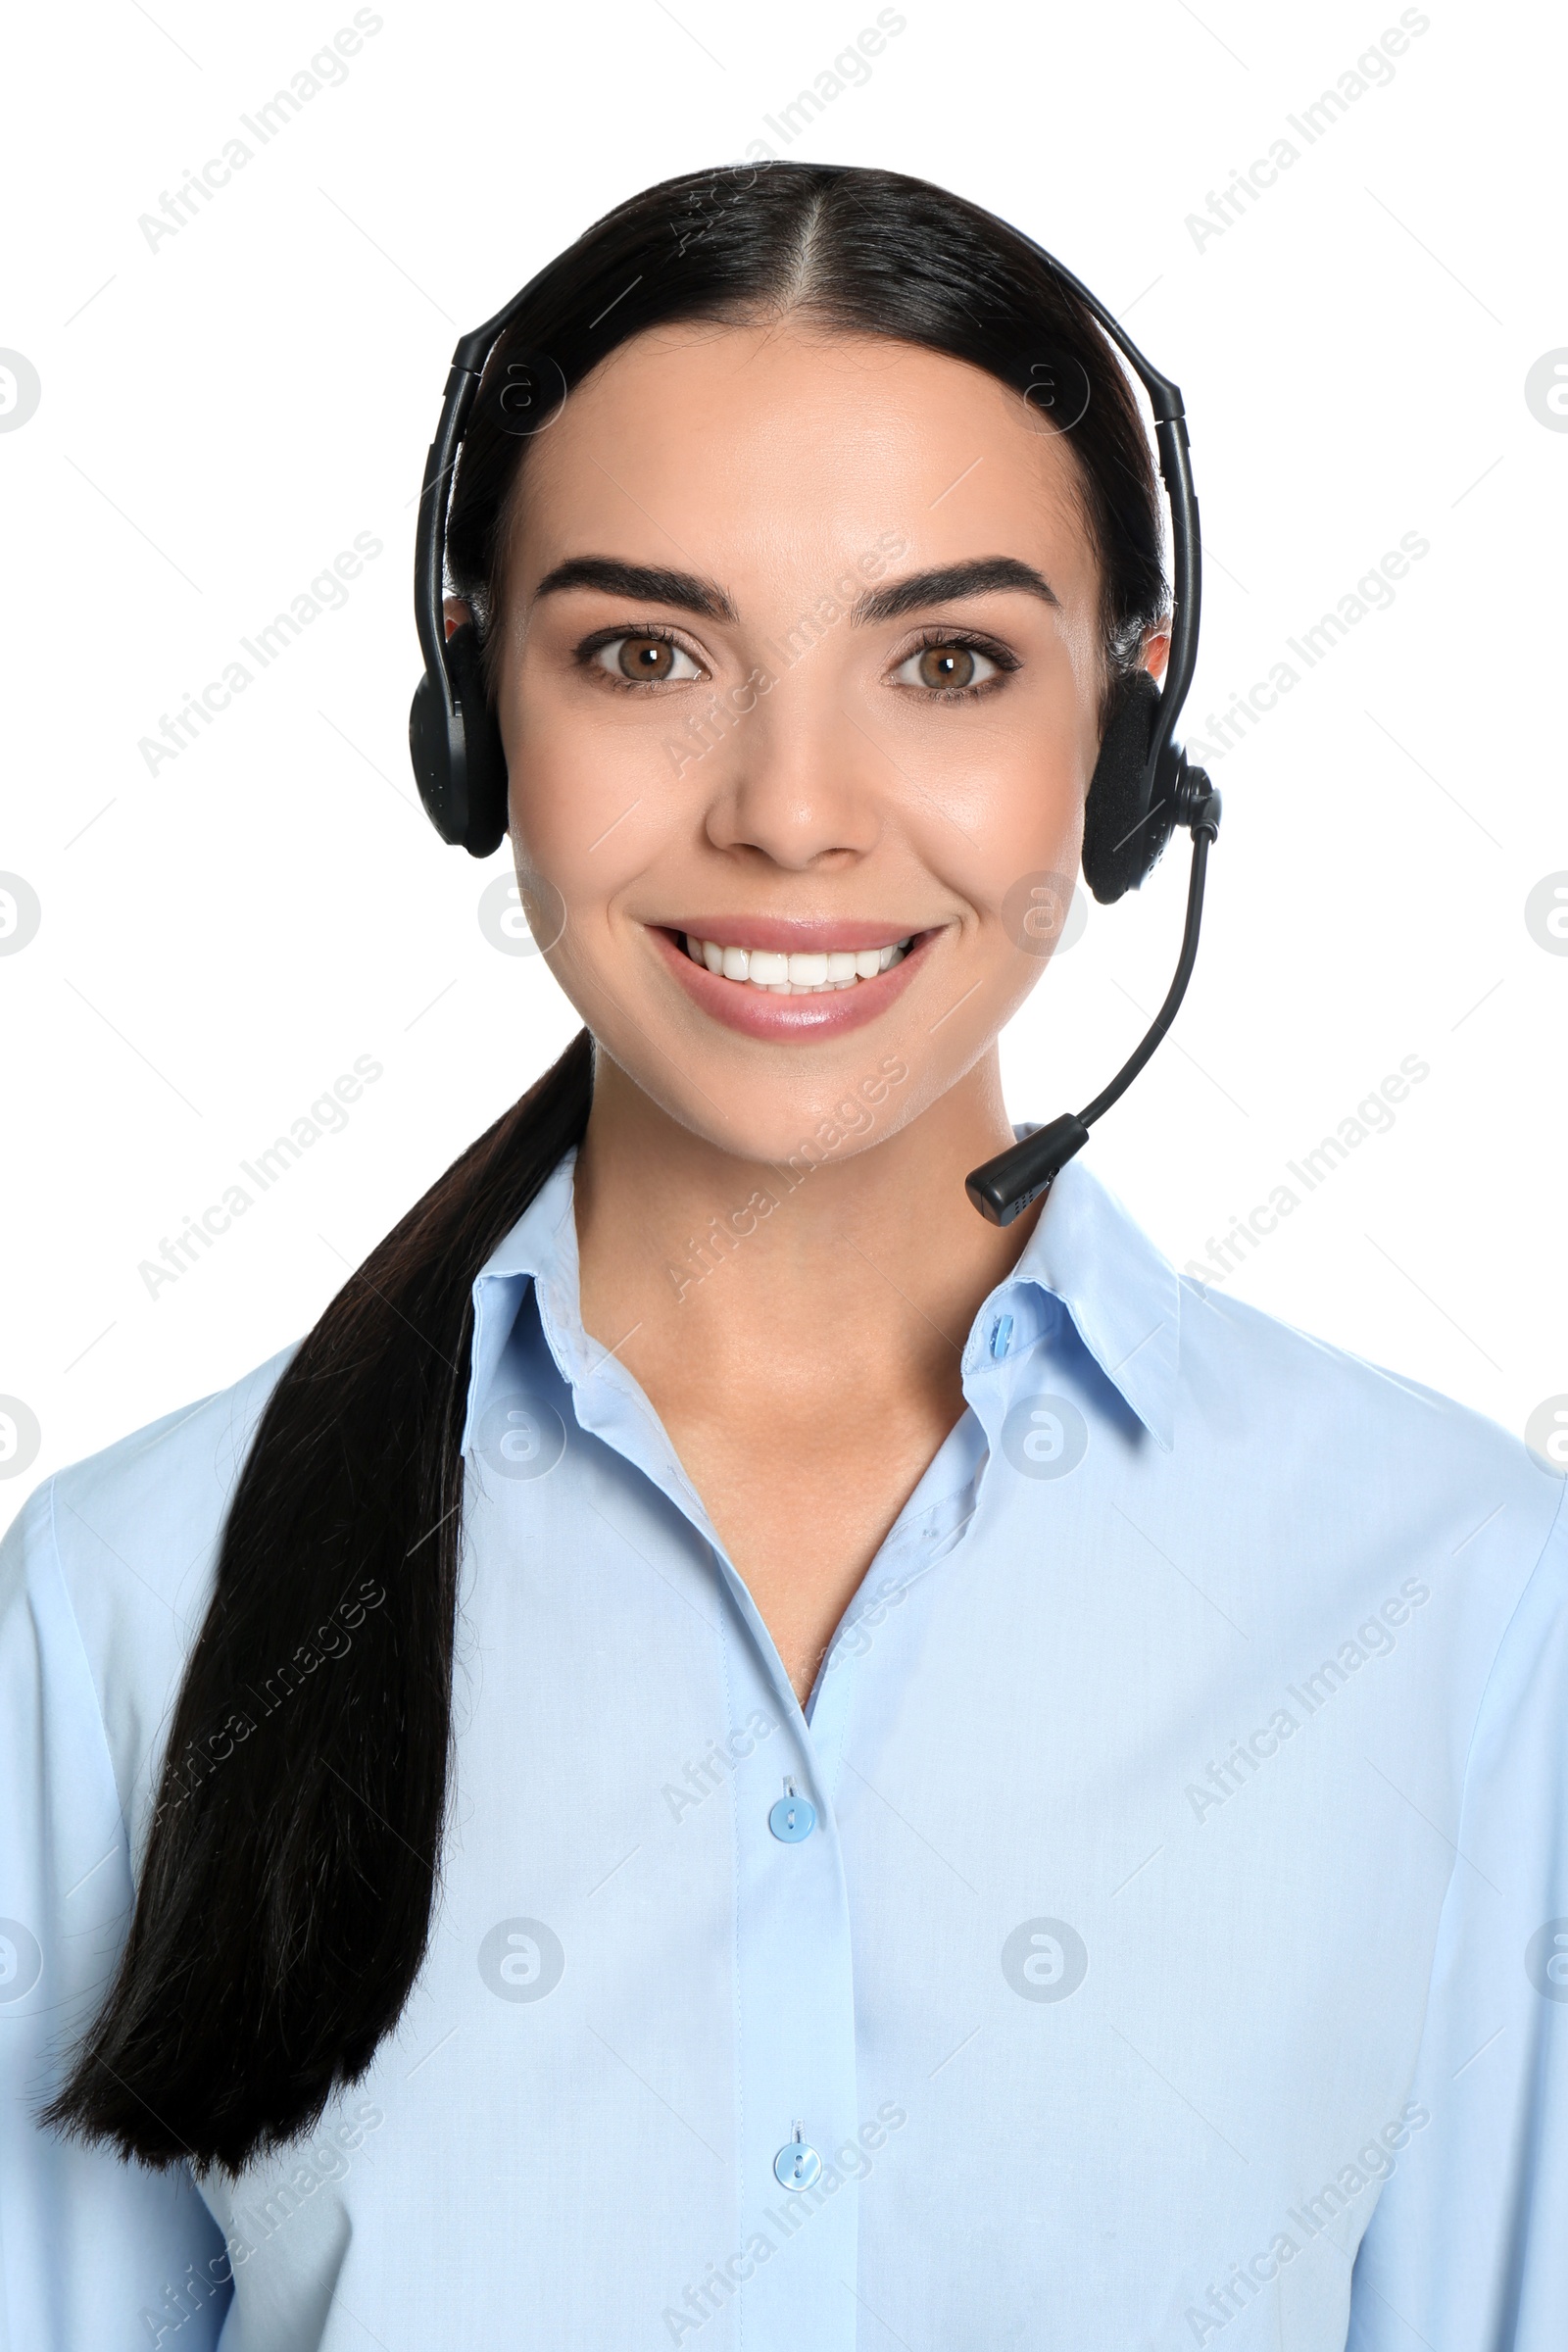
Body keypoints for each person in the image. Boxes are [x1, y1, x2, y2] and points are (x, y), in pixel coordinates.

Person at [2, 163, 1563, 2352]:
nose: (793, 809)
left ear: (1123, 728)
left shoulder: (1465, 1594)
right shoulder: (121, 1603)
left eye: (946, 660)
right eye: (645, 653)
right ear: (472, 714)